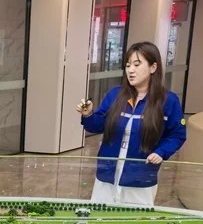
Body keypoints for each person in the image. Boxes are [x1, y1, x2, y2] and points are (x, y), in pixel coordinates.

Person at [77, 41, 186, 207]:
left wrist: (161, 152)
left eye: (137, 64)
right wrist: (89, 115)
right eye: (128, 65)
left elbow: (177, 135)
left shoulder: (168, 101)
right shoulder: (115, 95)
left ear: (153, 67)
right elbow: (97, 126)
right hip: (107, 175)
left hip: (140, 177)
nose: (130, 70)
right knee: (100, 217)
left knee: (133, 219)